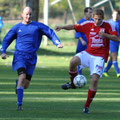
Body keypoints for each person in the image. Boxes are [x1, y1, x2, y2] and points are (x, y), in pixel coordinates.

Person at [55, 9, 119, 113]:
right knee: (73, 61)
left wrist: (105, 35)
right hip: (88, 53)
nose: (97, 21)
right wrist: (61, 27)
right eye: (95, 19)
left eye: (99, 19)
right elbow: (74, 26)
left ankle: (86, 106)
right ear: (93, 17)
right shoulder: (88, 24)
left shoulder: (108, 26)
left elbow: (116, 38)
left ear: (102, 18)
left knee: (94, 80)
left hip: (100, 56)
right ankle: (72, 83)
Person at [1, 7, 63, 111]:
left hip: (32, 58)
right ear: (22, 15)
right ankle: (19, 104)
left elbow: (50, 32)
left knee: (25, 85)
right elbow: (7, 40)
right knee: (22, 76)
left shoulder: (37, 26)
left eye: (30, 14)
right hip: (20, 56)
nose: (28, 16)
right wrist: (3, 52)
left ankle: (18, 85)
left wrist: (57, 42)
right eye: (26, 14)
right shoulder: (17, 28)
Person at [75, 7, 93, 75]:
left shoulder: (93, 21)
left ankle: (92, 72)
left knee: (91, 58)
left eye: (91, 12)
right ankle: (79, 74)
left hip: (90, 44)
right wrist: (82, 40)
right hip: (82, 43)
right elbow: (78, 32)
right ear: (85, 13)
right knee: (79, 58)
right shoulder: (80, 22)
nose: (91, 14)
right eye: (89, 12)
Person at [103, 10, 120, 77]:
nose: (115, 15)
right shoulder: (109, 23)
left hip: (117, 42)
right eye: (114, 14)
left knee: (112, 57)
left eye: (117, 14)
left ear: (118, 15)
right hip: (111, 42)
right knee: (114, 57)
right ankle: (118, 73)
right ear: (112, 15)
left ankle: (105, 70)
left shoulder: (119, 22)